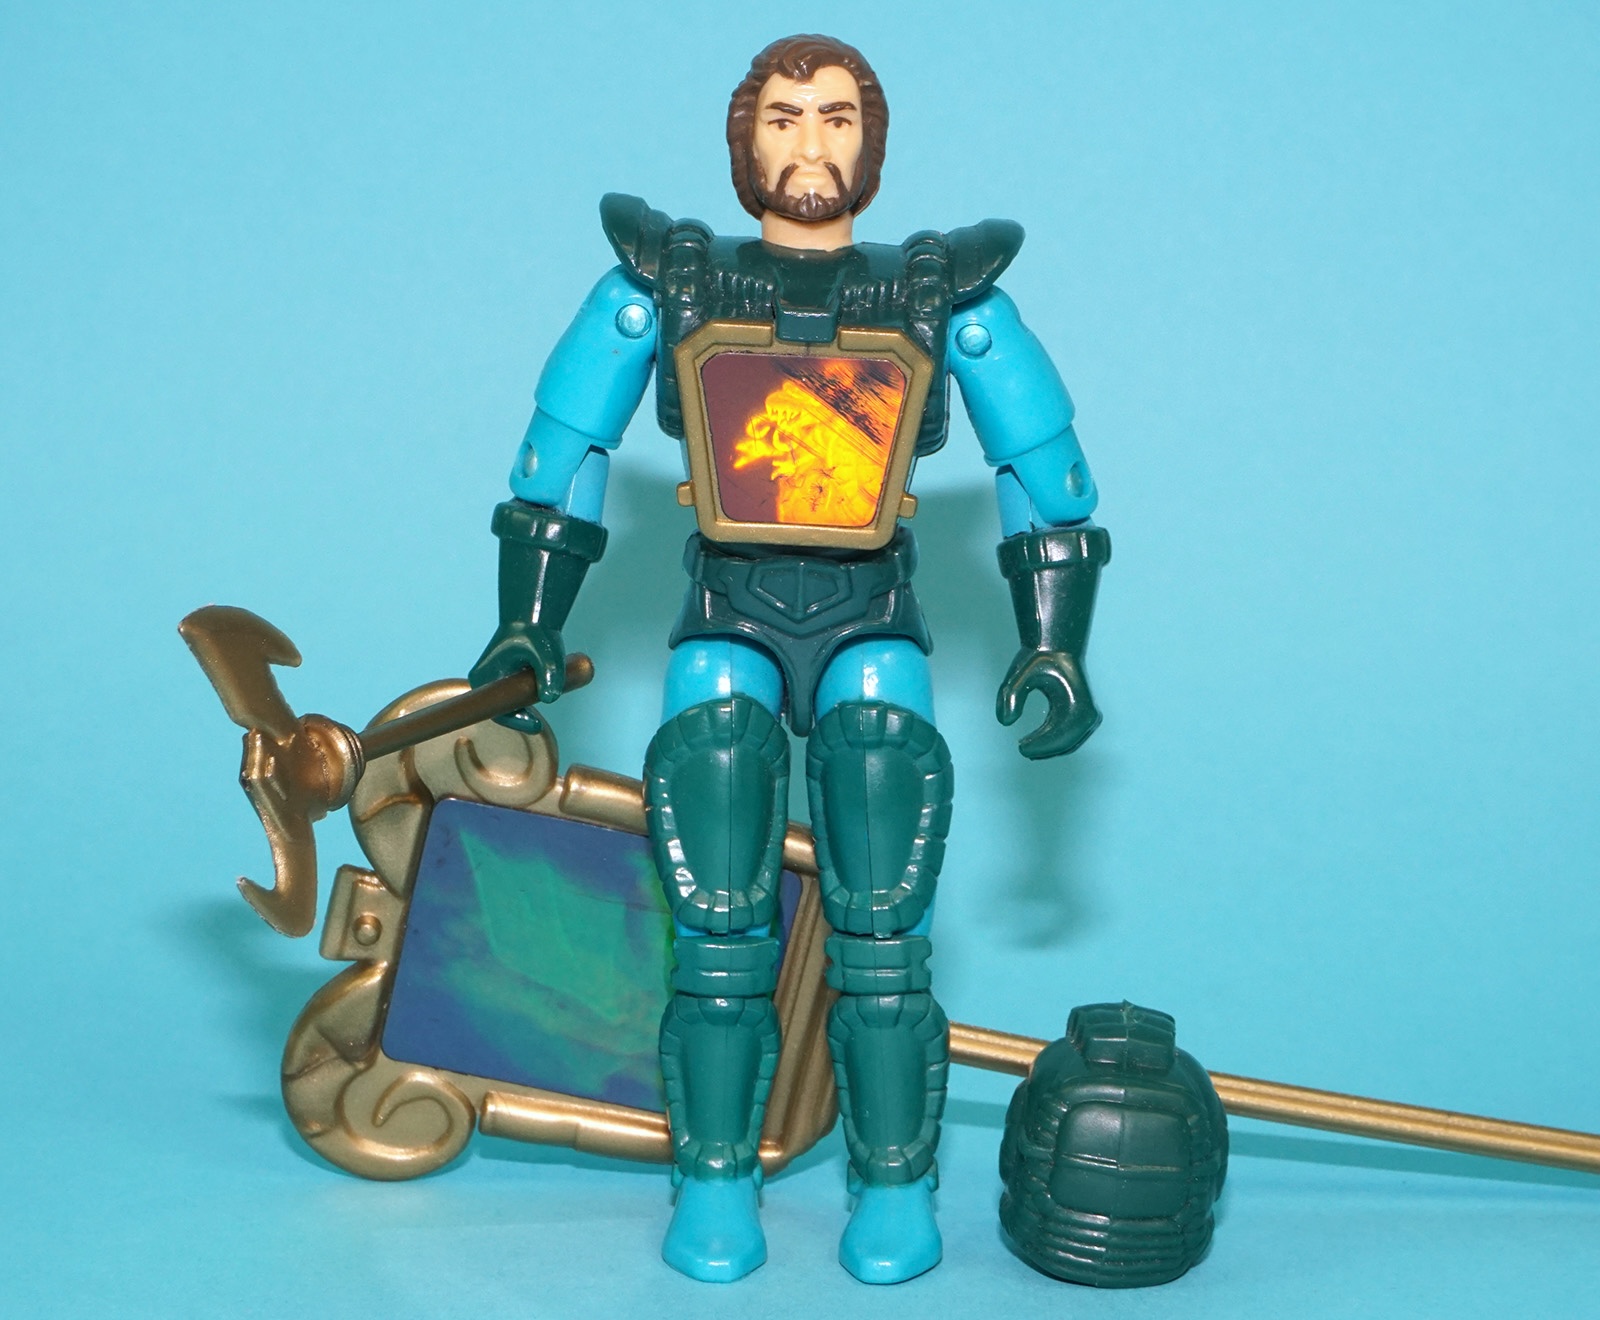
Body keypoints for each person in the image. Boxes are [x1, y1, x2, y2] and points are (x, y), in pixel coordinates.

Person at [468, 33, 1109, 1285]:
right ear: (742, 140)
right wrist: (530, 619)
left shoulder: (944, 300)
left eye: (833, 118)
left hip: (873, 615)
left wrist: (1055, 641)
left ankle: (893, 1183)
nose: (809, 144)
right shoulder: (666, 287)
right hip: (728, 611)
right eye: (781, 118)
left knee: (885, 938)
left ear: (871, 142)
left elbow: (1049, 476)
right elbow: (559, 457)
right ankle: (714, 1182)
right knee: (715, 935)